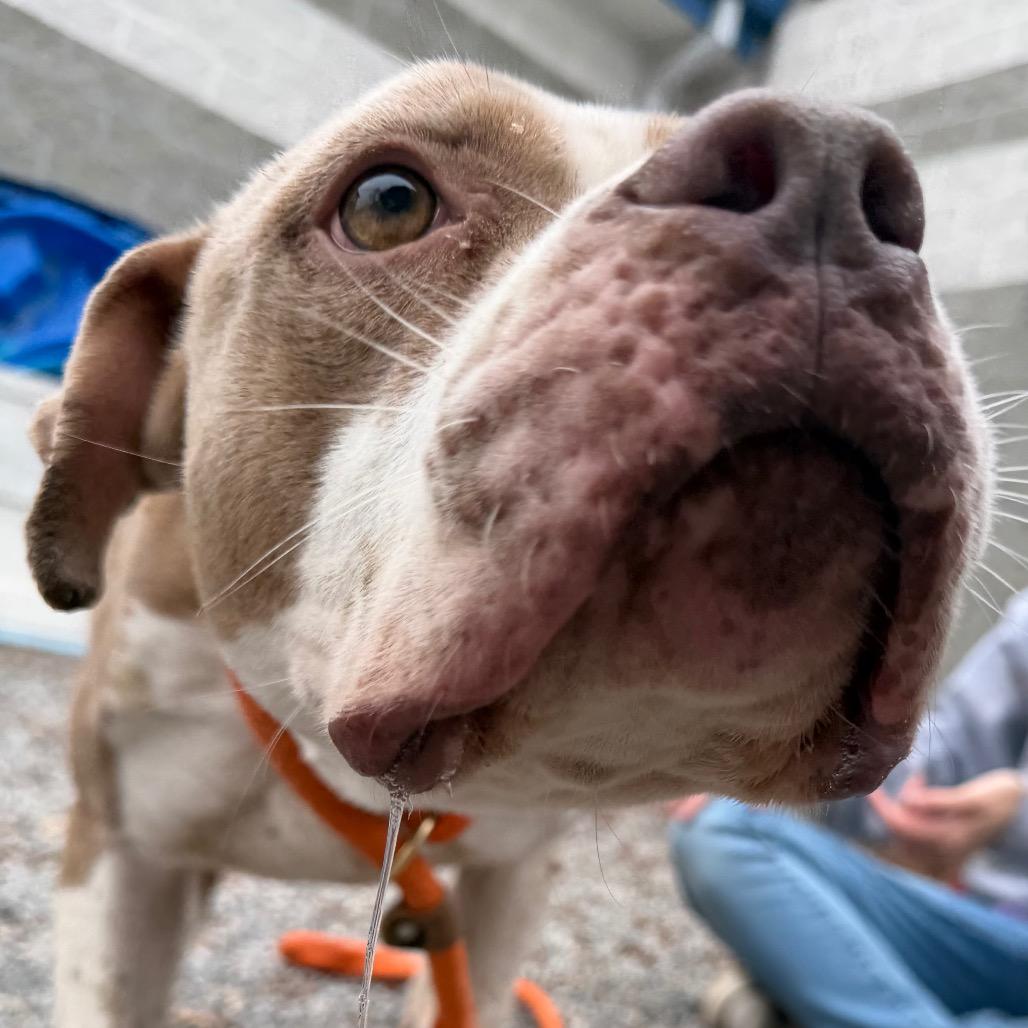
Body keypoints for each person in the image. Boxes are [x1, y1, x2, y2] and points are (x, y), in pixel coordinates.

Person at [669, 593, 1028, 1028]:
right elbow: (927, 770)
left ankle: (815, 1003)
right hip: (982, 936)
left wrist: (1017, 807)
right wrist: (791, 753)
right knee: (720, 831)